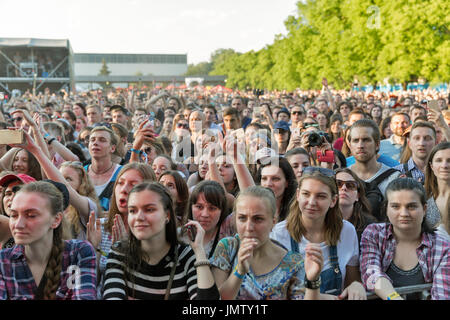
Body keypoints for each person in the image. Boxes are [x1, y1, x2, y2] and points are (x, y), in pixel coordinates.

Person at [102, 182, 220, 300]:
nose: (139, 217)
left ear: (167, 215)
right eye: (132, 210)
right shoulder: (119, 253)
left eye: (149, 209)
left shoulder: (186, 256)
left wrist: (199, 251)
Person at [270, 167, 366, 299]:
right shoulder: (279, 234)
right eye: (306, 194)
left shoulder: (347, 231)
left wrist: (357, 285)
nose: (311, 202)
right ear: (298, 195)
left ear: (333, 201)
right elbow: (275, 291)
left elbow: (352, 281)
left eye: (321, 196)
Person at [210, 186, 321, 300]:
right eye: (242, 218)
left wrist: (313, 281)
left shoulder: (293, 263)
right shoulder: (228, 248)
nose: (249, 227)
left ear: (273, 222)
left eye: (258, 219)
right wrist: (239, 271)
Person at [0, 181, 97, 299]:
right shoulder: (3, 261)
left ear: (56, 220)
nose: (18, 224)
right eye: (14, 215)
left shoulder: (78, 252)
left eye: (31, 215)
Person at [360, 178, 449, 300]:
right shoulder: (374, 234)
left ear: (424, 209)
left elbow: (442, 294)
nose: (404, 213)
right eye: (395, 206)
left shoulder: (442, 246)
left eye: (411, 206)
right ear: (386, 209)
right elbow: (371, 273)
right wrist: (394, 297)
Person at [86, 162, 156, 298]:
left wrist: (123, 254)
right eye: (120, 183)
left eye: (133, 184)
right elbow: (92, 282)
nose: (124, 189)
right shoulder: (100, 227)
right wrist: (93, 250)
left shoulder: (152, 234)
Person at [347, 119, 401, 220]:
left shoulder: (394, 178)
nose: (360, 146)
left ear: (377, 145)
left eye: (366, 140)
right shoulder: (343, 178)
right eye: (355, 140)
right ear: (350, 145)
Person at [184, 180, 228, 258]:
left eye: (212, 208)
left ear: (222, 210)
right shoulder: (178, 237)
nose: (205, 214)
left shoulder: (229, 239)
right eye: (199, 207)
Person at [85, 126, 122, 211]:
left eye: (102, 140)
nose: (95, 143)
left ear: (112, 148)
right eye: (92, 140)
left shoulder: (122, 172)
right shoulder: (80, 172)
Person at [335, 168, 377, 241]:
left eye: (350, 185)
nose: (344, 188)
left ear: (358, 196)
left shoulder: (370, 226)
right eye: (338, 184)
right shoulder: (320, 220)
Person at [424, 142, 450, 229]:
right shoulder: (423, 196)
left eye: (449, 161)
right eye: (439, 160)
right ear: (431, 166)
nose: (444, 165)